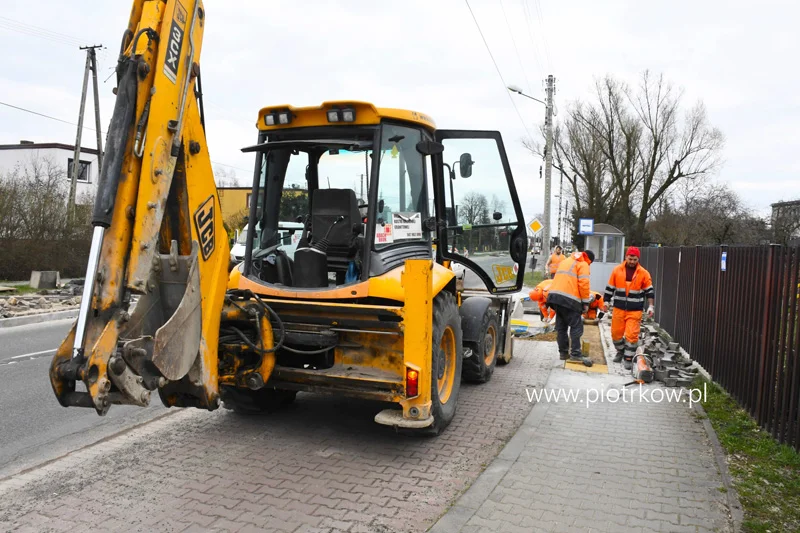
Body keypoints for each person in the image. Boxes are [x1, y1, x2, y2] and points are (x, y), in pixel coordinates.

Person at [604, 246, 655, 369]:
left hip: (635, 310)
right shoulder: (617, 270)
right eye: (630, 258)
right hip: (619, 309)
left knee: (631, 336)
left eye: (634, 259)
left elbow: (649, 291)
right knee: (616, 334)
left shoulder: (643, 273)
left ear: (638, 259)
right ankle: (621, 351)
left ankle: (628, 358)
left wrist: (651, 306)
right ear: (626, 257)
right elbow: (610, 288)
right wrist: (606, 301)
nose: (632, 261)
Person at [546, 249, 595, 366]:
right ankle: (576, 354)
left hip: (555, 297)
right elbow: (583, 284)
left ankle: (563, 353)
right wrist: (585, 303)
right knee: (576, 326)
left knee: (561, 327)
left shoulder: (567, 260)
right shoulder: (583, 264)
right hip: (569, 300)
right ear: (589, 259)